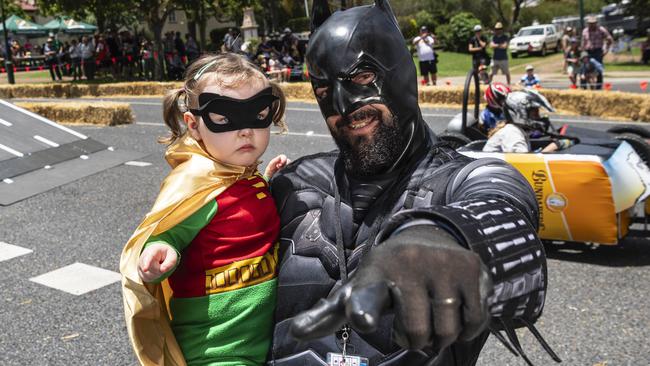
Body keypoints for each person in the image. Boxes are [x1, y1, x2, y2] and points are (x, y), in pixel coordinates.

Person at [268, 1, 557, 365]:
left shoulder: (459, 180)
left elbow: (505, 204)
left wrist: (445, 236)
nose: (341, 105)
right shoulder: (292, 184)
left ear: (403, 73)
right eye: (324, 91)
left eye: (360, 78)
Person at [120, 53, 290, 365]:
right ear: (194, 126)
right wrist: (159, 248)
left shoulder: (245, 179)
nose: (245, 131)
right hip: (215, 349)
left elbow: (238, 219)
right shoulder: (196, 187)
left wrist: (266, 183)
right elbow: (169, 230)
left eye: (258, 114)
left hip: (265, 338)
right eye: (224, 119)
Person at [484, 89, 573, 153]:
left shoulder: (516, 130)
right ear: (520, 112)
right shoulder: (513, 133)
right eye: (535, 114)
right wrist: (552, 148)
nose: (538, 117)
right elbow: (523, 165)